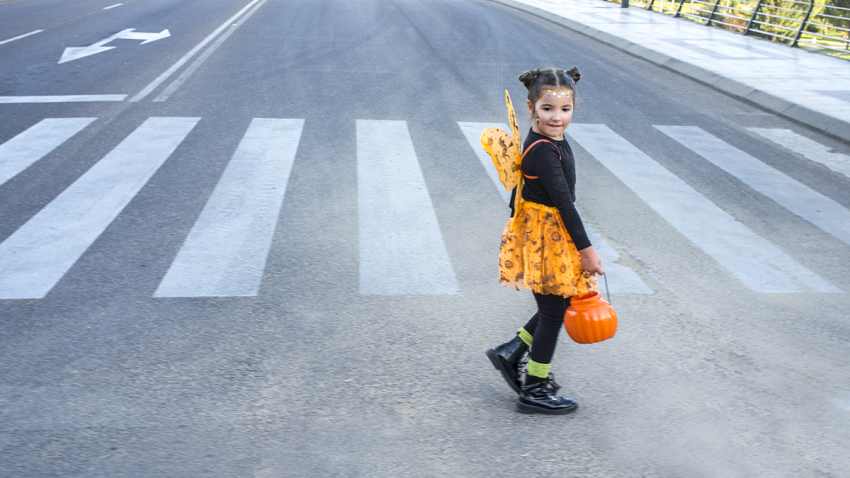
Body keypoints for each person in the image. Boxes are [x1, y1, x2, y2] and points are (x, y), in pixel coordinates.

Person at [485, 67, 603, 415]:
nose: (557, 117)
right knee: (553, 313)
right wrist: (587, 250)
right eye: (548, 108)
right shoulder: (543, 151)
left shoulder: (549, 139)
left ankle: (511, 352)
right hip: (546, 238)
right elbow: (564, 202)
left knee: (557, 304)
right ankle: (534, 387)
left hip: (546, 233)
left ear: (573, 107)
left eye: (565, 109)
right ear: (530, 107)